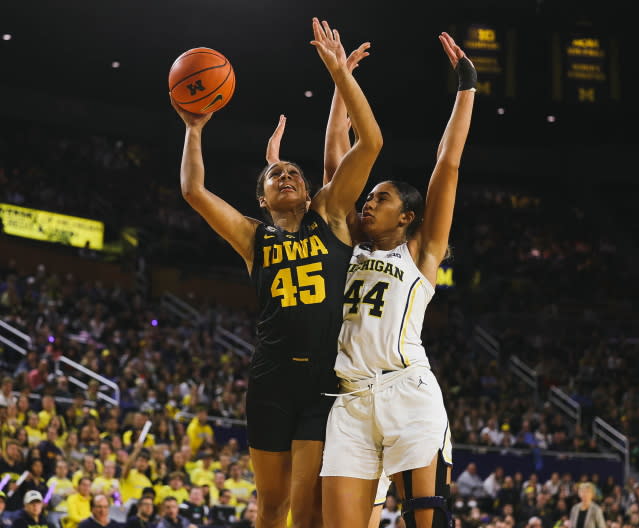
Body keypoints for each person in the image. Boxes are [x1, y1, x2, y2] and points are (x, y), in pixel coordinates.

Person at [171, 16, 382, 528]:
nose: (284, 175)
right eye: (274, 174)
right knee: (271, 505)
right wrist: (194, 129)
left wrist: (340, 77)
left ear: (309, 192)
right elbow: (194, 192)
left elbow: (369, 142)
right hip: (270, 378)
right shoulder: (252, 237)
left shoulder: (331, 215)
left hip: (321, 381)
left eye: (292, 172)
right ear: (261, 199)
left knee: (307, 509)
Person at [318, 31, 476, 528]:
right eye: (369, 196)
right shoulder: (345, 245)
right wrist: (341, 86)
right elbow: (335, 161)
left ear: (407, 216)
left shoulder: (421, 254)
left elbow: (447, 164)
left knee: (427, 522)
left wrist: (466, 88)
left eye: (381, 197)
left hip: (407, 392)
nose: (368, 200)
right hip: (348, 400)